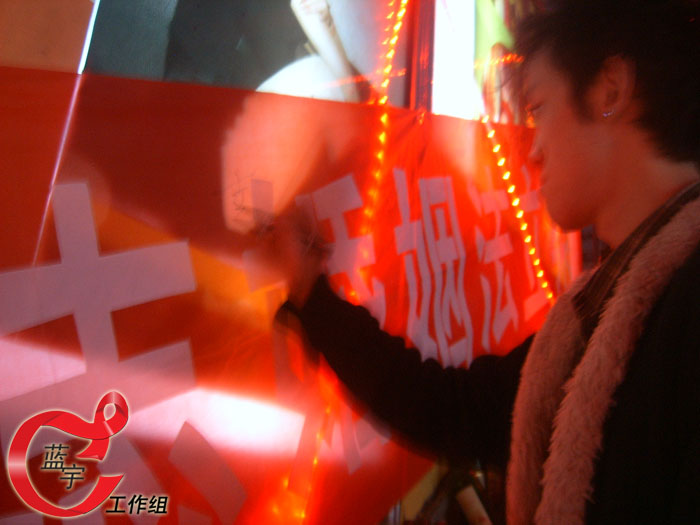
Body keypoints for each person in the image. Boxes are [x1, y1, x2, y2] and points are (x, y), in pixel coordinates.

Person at [268, 1, 700, 523]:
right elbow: (456, 409)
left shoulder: (678, 313)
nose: (532, 148)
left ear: (610, 90)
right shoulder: (602, 311)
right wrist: (312, 294)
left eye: (538, 107)